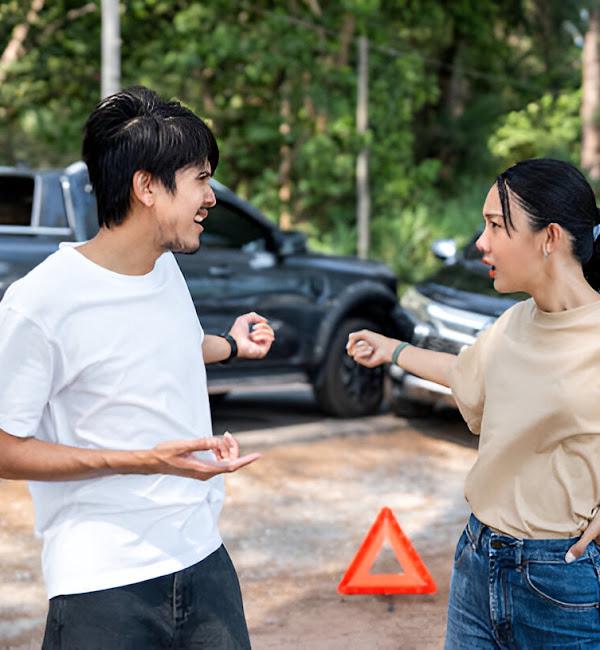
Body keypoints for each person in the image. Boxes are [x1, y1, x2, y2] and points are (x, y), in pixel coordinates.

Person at [0, 86, 275, 649]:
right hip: (103, 585)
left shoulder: (164, 269)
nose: (211, 198)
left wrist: (230, 345)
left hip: (202, 558)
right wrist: (143, 461)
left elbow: (159, 347)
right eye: (200, 179)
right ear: (147, 187)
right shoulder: (41, 303)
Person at [347, 158, 600, 648]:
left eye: (496, 226)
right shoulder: (514, 323)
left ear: (549, 238)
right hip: (478, 561)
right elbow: (466, 373)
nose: (482, 242)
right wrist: (392, 350)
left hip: (563, 580)